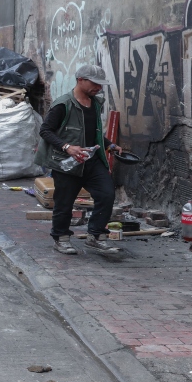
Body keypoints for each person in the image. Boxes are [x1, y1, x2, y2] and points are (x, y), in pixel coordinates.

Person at [35, 64, 123, 255]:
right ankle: (61, 238)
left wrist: (109, 145)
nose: (98, 88)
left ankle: (96, 236)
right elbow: (45, 131)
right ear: (80, 80)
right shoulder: (63, 104)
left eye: (101, 85)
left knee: (106, 194)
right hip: (67, 164)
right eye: (95, 83)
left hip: (91, 161)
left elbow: (91, 132)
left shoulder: (95, 103)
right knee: (64, 202)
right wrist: (67, 148)